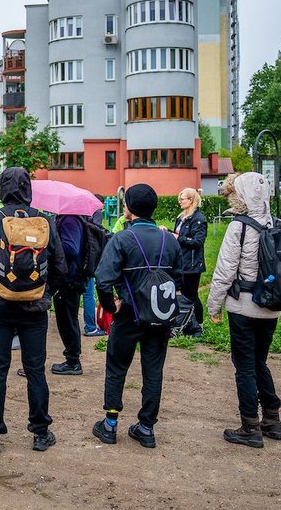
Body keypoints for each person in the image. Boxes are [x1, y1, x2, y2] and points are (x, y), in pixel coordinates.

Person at [0, 167, 66, 455]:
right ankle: (40, 432)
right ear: (28, 189)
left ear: (1, 189)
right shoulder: (45, 222)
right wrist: (46, 292)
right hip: (35, 306)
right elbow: (60, 267)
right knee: (35, 369)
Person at [91, 184, 183, 449]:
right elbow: (179, 278)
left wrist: (111, 307)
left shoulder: (122, 239)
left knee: (117, 367)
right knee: (153, 370)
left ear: (129, 208)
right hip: (159, 315)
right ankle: (146, 427)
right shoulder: (169, 239)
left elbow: (103, 279)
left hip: (129, 314)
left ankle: (110, 424)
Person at [206, 172, 281, 448]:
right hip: (272, 306)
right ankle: (272, 419)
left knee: (244, 366)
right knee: (259, 362)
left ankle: (250, 426)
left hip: (244, 306)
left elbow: (225, 271)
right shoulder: (279, 225)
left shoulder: (239, 227)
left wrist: (214, 305)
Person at [51, 213, 87, 375]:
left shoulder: (70, 220)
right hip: (69, 278)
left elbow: (71, 248)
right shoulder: (68, 219)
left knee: (67, 320)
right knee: (66, 319)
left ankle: (73, 361)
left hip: (69, 279)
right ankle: (72, 359)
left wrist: (51, 245)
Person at [172, 187, 208, 336]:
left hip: (192, 264)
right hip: (182, 261)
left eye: (182, 199)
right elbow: (177, 236)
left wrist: (178, 238)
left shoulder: (199, 219)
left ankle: (198, 324)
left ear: (191, 200)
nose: (180, 202)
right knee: (184, 294)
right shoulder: (181, 217)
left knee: (192, 295)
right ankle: (188, 323)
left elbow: (198, 242)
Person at [81, 203, 107, 337]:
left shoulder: (74, 216)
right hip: (87, 260)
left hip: (76, 262)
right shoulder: (96, 213)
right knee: (88, 294)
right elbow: (97, 233)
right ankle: (90, 327)